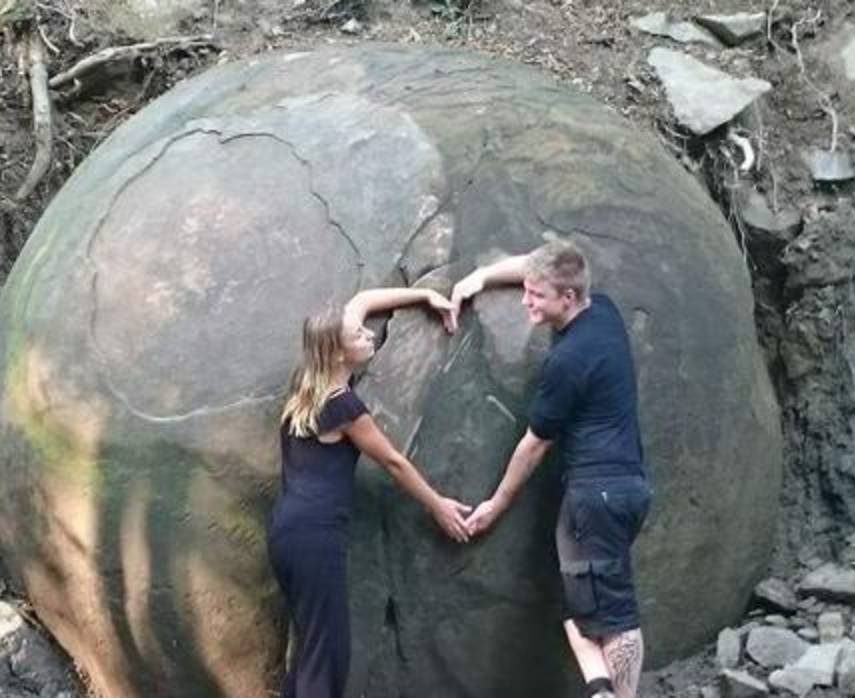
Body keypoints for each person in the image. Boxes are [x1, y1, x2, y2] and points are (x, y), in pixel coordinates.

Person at [450, 240, 652, 698]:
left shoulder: (567, 361)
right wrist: (481, 278)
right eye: (526, 290)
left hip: (594, 499)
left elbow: (534, 444)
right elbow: (544, 262)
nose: (526, 301)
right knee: (577, 605)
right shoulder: (603, 311)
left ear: (567, 298)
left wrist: (497, 504)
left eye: (535, 295)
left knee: (614, 615)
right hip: (624, 489)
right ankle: (601, 692)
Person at [267, 287, 473, 698]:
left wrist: (425, 295)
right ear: (339, 353)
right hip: (316, 536)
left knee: (311, 649)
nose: (369, 336)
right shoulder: (344, 406)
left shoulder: (307, 384)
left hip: (287, 533)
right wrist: (438, 506)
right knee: (327, 658)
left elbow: (362, 300)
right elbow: (393, 461)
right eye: (358, 337)